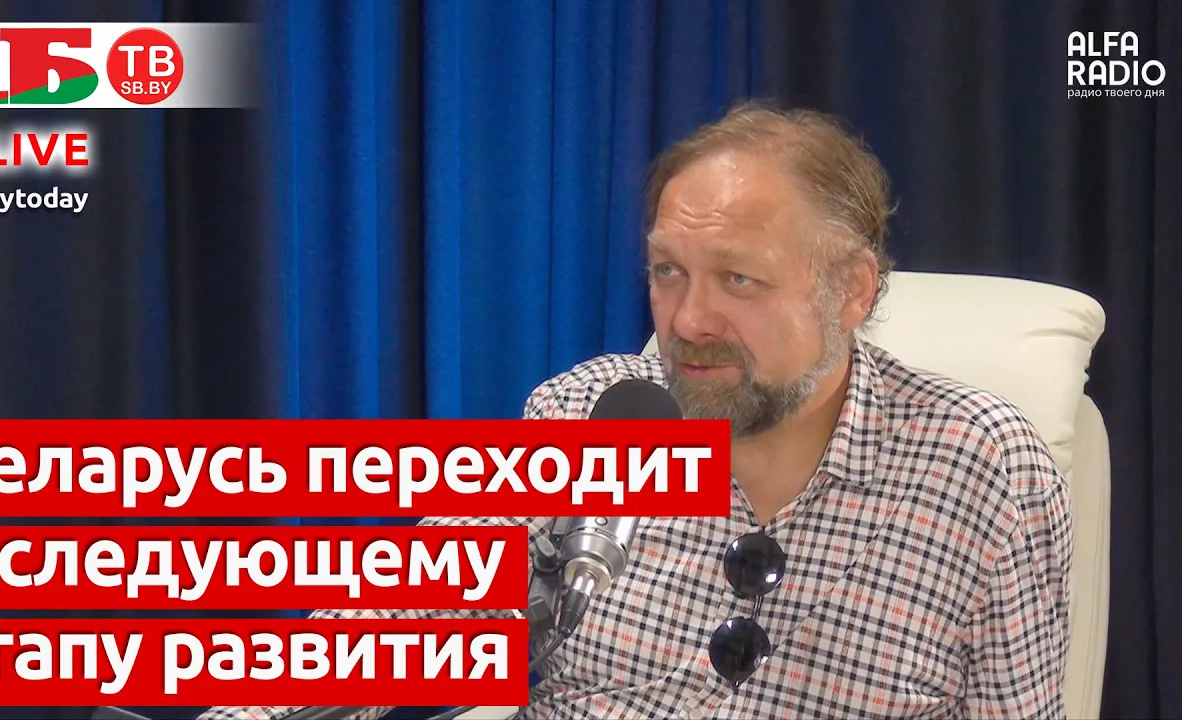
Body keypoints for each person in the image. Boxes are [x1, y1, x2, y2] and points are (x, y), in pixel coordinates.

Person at [199, 100, 1072, 719]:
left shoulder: (986, 469)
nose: (688, 321)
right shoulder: (591, 413)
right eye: (668, 272)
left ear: (850, 291)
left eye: (739, 279)